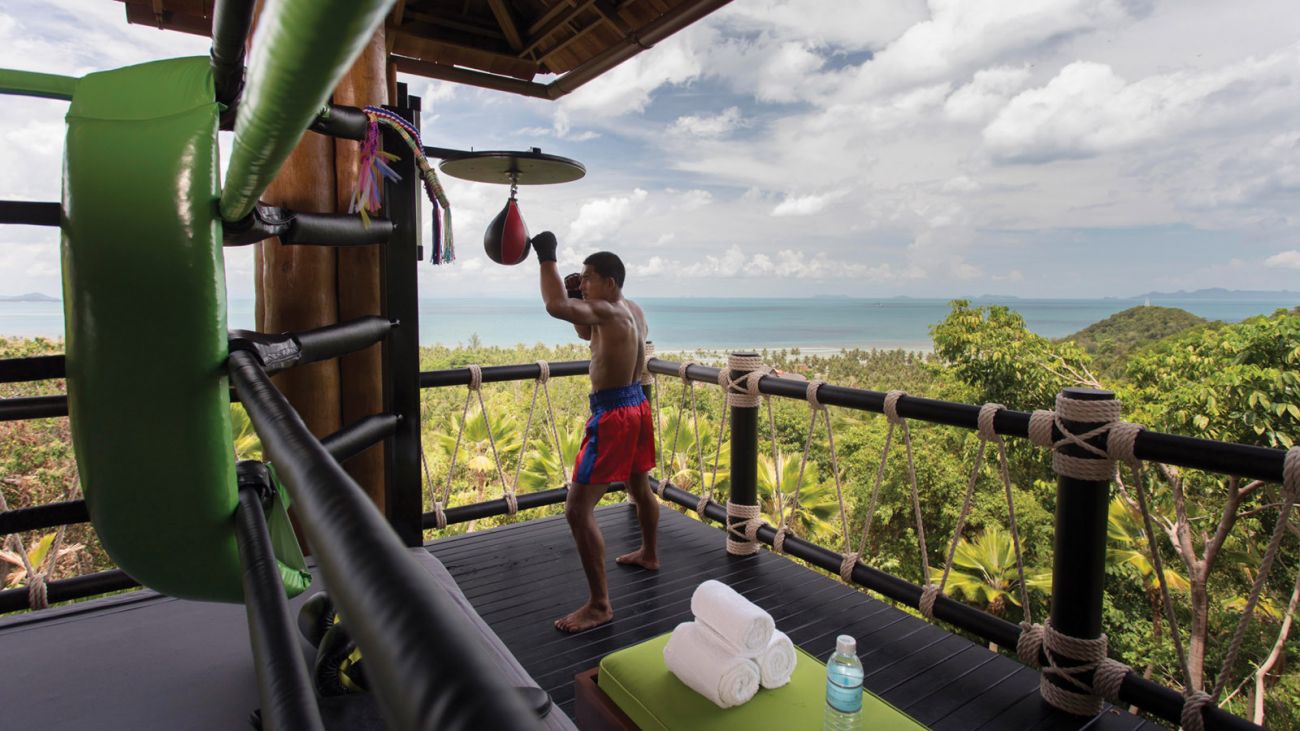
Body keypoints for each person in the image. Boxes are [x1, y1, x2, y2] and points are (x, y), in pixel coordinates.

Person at [531, 231, 659, 633]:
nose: (581, 282)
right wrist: (582, 300)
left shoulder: (609, 310)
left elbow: (555, 306)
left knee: (576, 510)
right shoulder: (631, 310)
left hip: (614, 415)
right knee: (640, 487)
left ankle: (600, 605)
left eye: (588, 277)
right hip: (637, 403)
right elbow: (587, 333)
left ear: (610, 282)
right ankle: (650, 554)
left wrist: (546, 257)